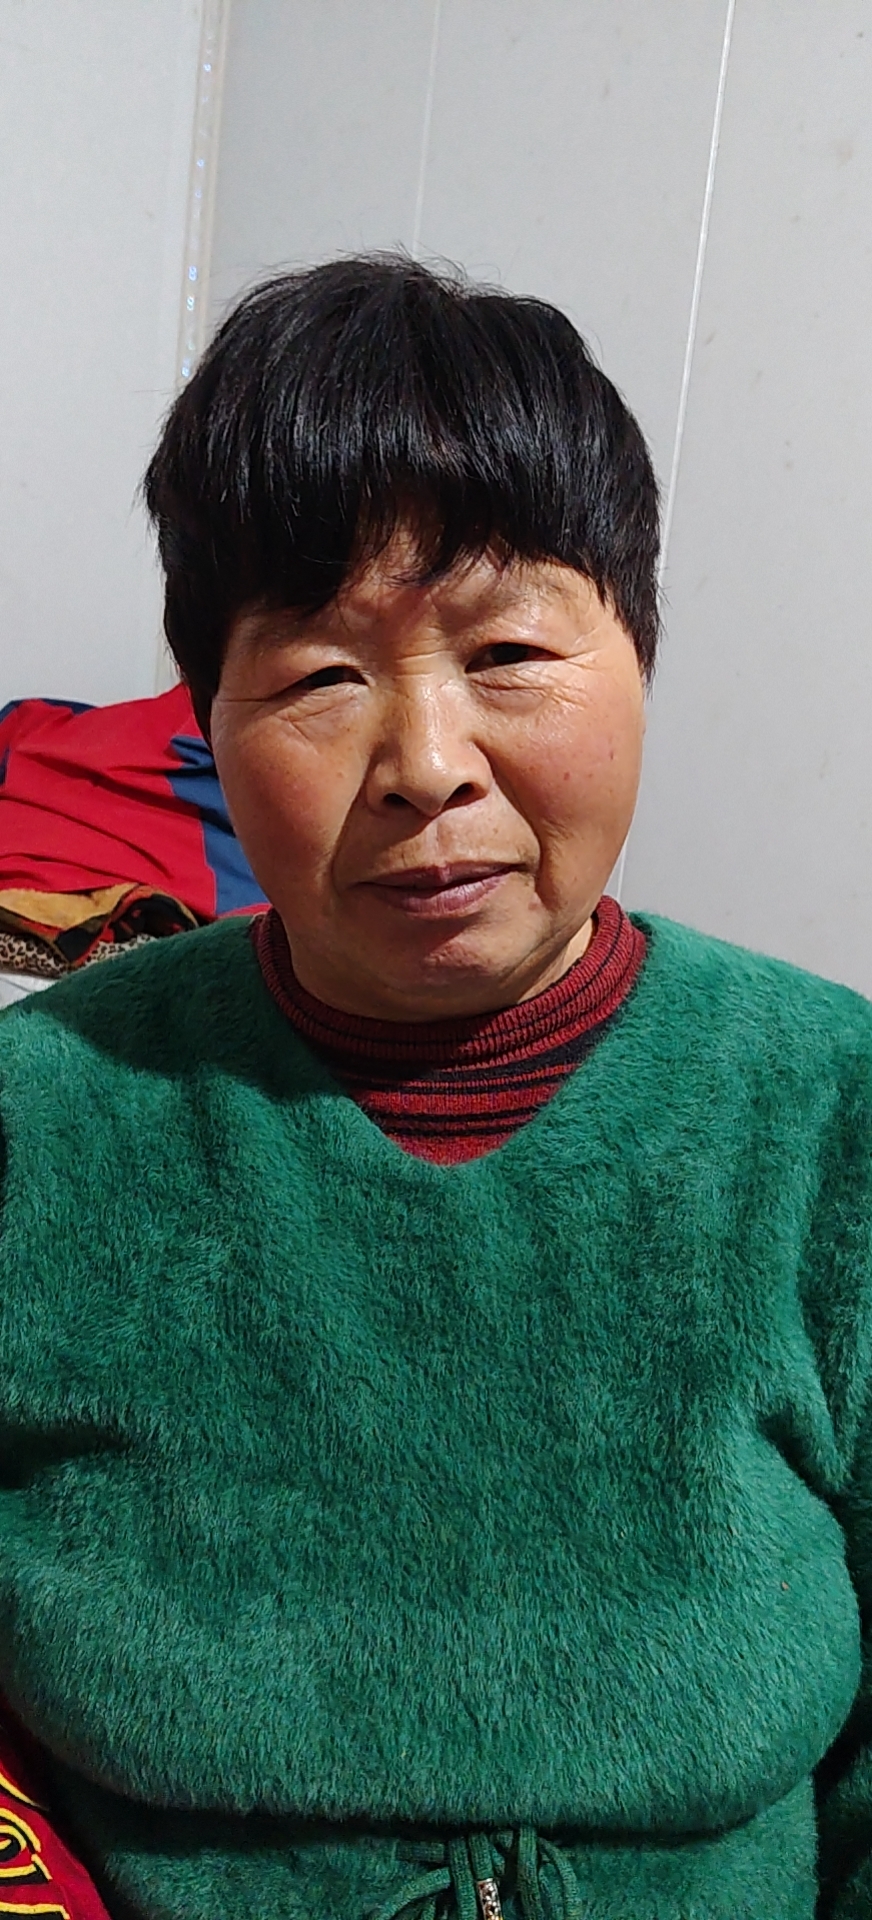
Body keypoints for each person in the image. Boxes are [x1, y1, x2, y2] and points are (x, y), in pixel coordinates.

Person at [0, 255, 870, 1920]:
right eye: (322, 676)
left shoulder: (835, 1119)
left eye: (511, 649)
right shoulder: (45, 1121)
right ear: (207, 717)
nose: (425, 764)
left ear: (640, 653)